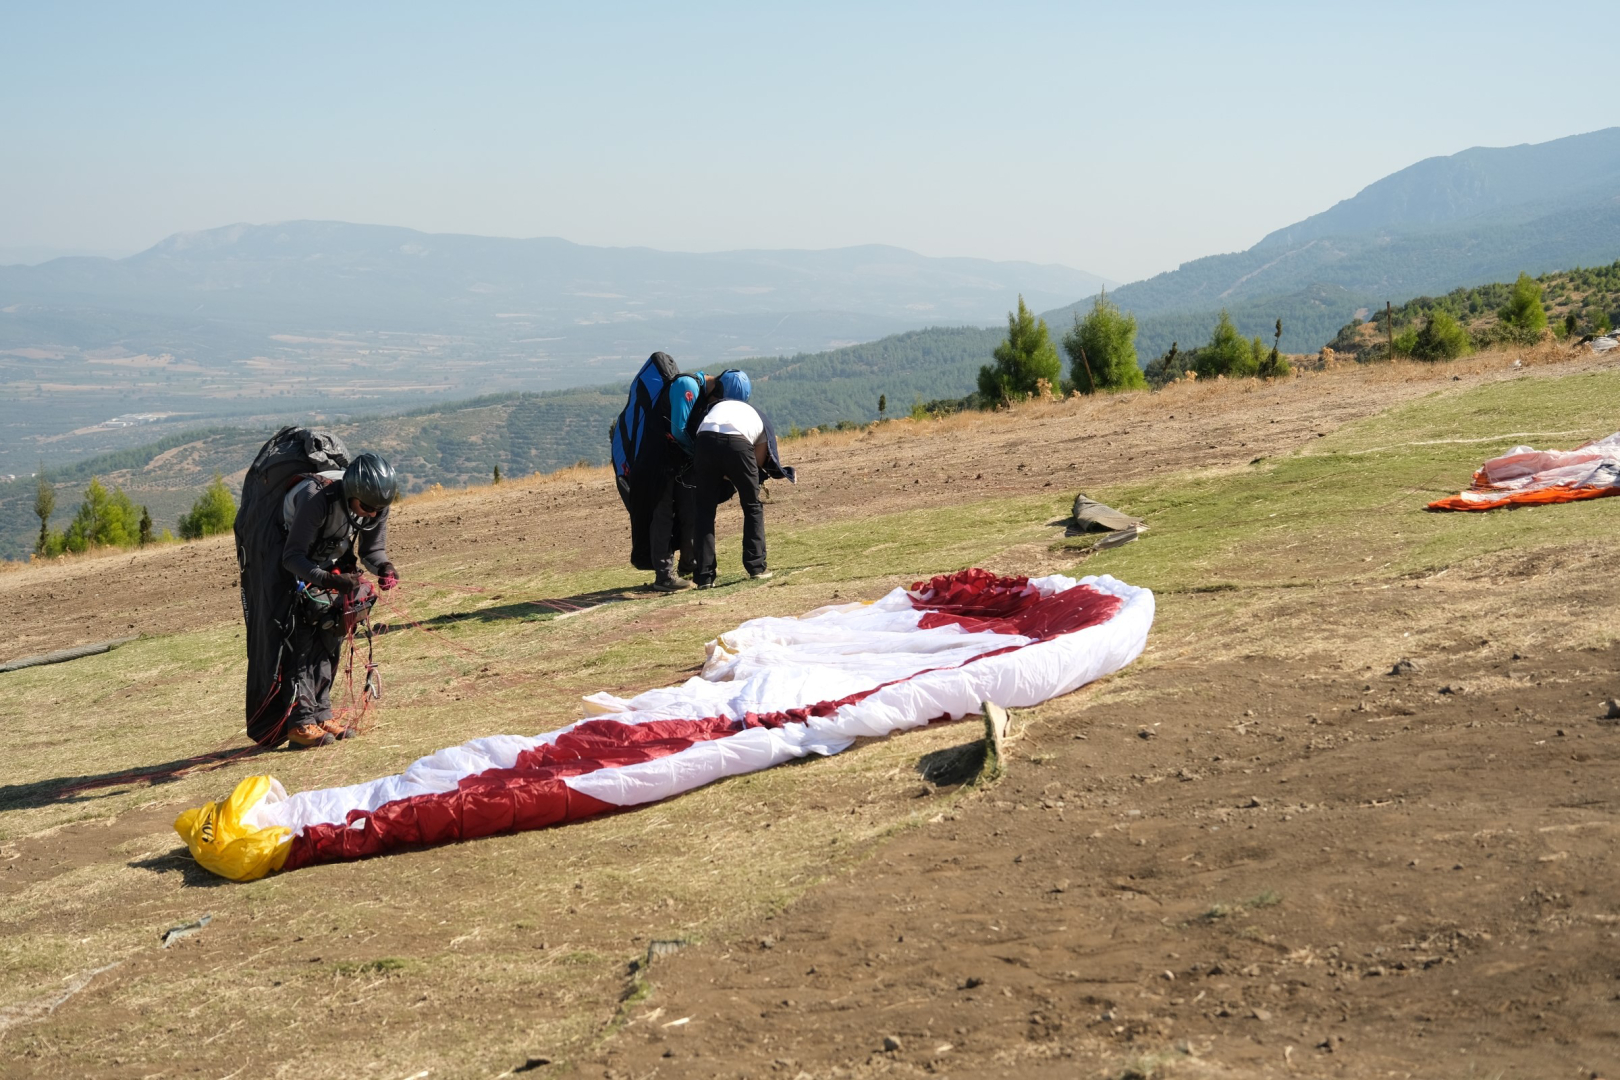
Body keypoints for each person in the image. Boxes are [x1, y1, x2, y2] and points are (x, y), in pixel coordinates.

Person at [279, 451, 401, 748]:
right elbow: (292, 556)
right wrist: (329, 580)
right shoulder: (315, 499)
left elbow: (372, 552)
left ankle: (322, 714)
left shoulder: (375, 503)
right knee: (303, 641)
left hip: (329, 569)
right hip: (290, 565)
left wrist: (385, 567)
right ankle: (300, 724)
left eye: (379, 509)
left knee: (332, 634)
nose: (372, 514)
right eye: (368, 507)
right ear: (351, 494)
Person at [692, 371, 795, 588]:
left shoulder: (710, 409)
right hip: (739, 443)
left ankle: (703, 576)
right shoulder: (754, 413)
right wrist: (736, 476)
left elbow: (700, 436)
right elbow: (757, 460)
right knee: (752, 506)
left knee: (704, 511)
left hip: (704, 442)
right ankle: (756, 566)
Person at [647, 368, 715, 591]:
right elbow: (678, 431)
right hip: (660, 462)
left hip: (679, 461)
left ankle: (689, 563)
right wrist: (698, 453)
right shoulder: (687, 386)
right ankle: (664, 577)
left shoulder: (698, 389)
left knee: (690, 510)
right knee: (664, 516)